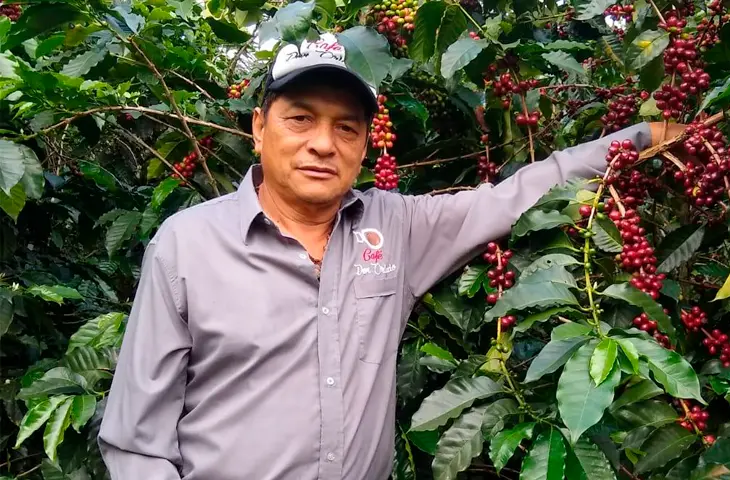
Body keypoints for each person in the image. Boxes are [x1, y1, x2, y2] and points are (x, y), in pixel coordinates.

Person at [97, 33, 681, 480]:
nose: (323, 143)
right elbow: (136, 441)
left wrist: (639, 139)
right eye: (300, 119)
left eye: (346, 128)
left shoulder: (396, 228)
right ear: (259, 126)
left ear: (363, 145)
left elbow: (516, 196)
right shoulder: (186, 243)